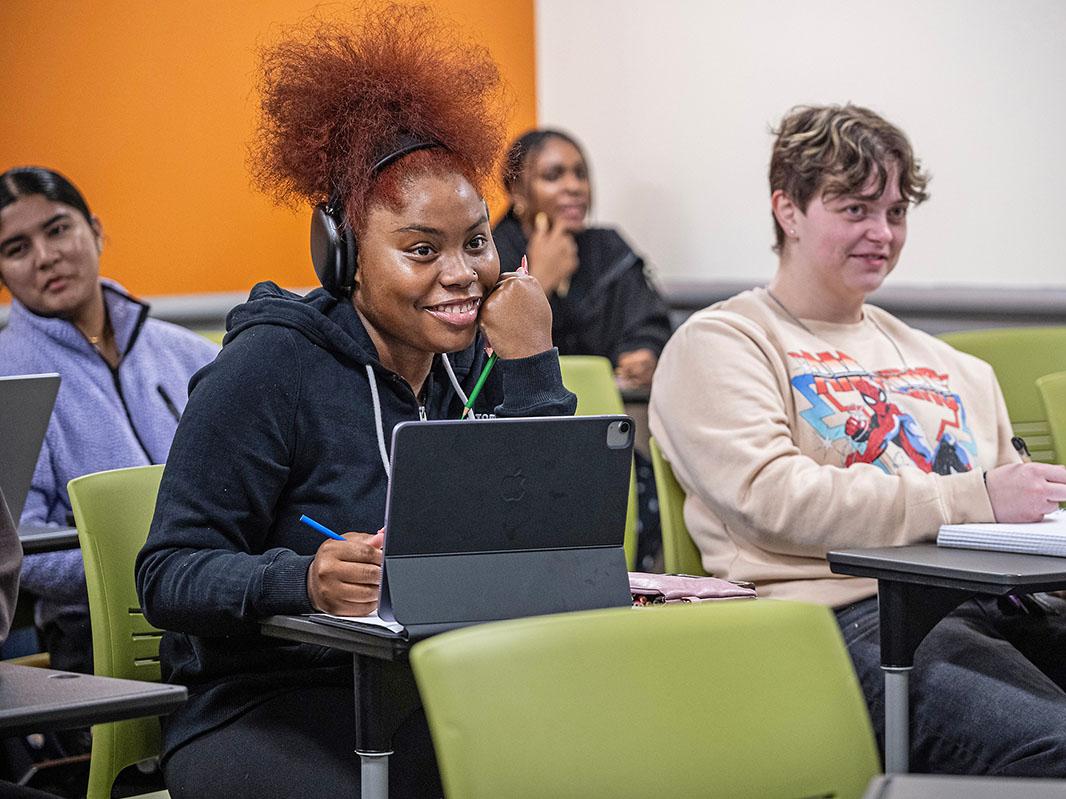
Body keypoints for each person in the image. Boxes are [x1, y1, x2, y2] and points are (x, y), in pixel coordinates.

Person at [135, 6, 575, 798]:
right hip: (266, 705)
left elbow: (551, 549)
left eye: (476, 241)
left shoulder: (470, 358)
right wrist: (302, 580)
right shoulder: (269, 367)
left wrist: (534, 367)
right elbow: (168, 573)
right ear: (343, 259)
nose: (462, 274)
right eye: (421, 249)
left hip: (435, 688)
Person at [650, 103, 1066, 775]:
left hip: (994, 606)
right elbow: (772, 497)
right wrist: (973, 497)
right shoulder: (724, 343)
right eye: (855, 209)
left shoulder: (955, 366)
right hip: (845, 615)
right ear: (787, 210)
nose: (883, 233)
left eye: (896, 211)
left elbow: (1012, 516)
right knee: (1053, 748)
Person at [0, 167, 218, 676]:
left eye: (58, 229)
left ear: (95, 230)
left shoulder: (187, 353)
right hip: (95, 630)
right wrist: (147, 568)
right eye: (16, 249)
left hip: (214, 604)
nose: (45, 257)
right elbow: (21, 545)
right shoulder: (7, 376)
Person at [492, 129, 672, 389]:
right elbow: (489, 351)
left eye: (580, 174)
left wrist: (643, 352)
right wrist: (538, 282)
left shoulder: (609, 249)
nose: (574, 187)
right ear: (517, 189)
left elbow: (648, 324)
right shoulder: (492, 254)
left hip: (611, 401)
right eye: (553, 176)